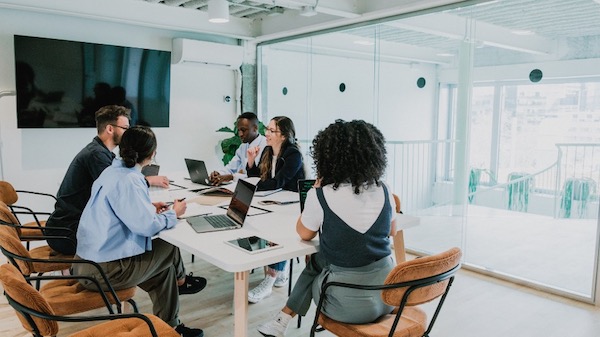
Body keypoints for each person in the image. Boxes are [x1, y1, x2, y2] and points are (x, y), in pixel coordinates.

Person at [257, 120, 397, 337]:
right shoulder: (385, 190)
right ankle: (281, 319)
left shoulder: (322, 194)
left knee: (316, 260)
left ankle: (282, 319)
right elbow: (391, 232)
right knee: (325, 258)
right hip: (389, 295)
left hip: (346, 307)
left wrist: (315, 192)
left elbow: (303, 233)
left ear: (327, 157)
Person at [72, 126, 206, 337]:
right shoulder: (130, 180)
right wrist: (174, 214)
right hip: (104, 272)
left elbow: (121, 211)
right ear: (151, 154)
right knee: (169, 246)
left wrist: (150, 208)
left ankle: (171, 329)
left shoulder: (112, 172)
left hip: (84, 264)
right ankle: (182, 282)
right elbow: (147, 226)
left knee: (164, 271)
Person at [46, 105, 171, 255]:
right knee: (143, 239)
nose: (128, 133)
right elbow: (118, 193)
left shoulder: (100, 152)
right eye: (125, 128)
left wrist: (148, 206)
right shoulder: (97, 156)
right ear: (110, 129)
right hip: (69, 233)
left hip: (68, 226)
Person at [246, 116, 305, 303]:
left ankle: (269, 280)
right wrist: (250, 161)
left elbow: (277, 182)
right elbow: (257, 177)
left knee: (276, 232)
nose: (267, 134)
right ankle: (279, 268)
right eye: (268, 130)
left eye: (272, 131)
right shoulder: (267, 150)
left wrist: (253, 186)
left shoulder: (293, 154)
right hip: (274, 201)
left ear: (284, 135)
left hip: (293, 206)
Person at [209, 112, 267, 185]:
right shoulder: (243, 147)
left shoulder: (266, 146)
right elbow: (231, 167)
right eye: (239, 130)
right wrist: (218, 173)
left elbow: (258, 177)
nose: (240, 134)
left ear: (255, 128)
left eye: (243, 130)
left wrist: (232, 177)